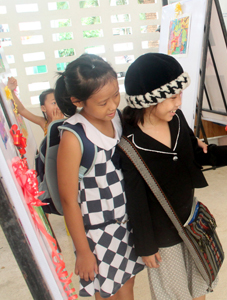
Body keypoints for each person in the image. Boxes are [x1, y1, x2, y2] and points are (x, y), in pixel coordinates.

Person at [119, 53, 227, 300]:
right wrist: (146, 245)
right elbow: (136, 198)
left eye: (180, 94)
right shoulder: (130, 142)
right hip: (162, 233)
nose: (179, 102)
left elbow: (197, 153)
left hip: (190, 221)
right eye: (173, 96)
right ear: (150, 99)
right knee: (173, 293)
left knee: (199, 283)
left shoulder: (176, 119)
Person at [55, 53, 144, 299]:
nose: (113, 105)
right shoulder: (75, 136)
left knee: (127, 285)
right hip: (98, 232)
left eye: (116, 95)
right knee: (110, 293)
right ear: (77, 100)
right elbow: (68, 199)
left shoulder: (114, 118)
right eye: (103, 102)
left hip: (125, 223)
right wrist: (83, 251)